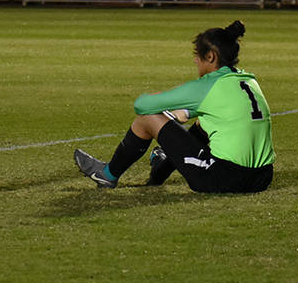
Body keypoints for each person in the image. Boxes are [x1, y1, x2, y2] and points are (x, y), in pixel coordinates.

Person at [73, 20, 274, 193]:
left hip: (225, 179)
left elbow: (142, 105)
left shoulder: (205, 86)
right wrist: (186, 111)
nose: (195, 60)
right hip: (263, 178)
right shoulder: (248, 81)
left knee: (147, 118)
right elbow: (218, 107)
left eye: (198, 55)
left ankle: (107, 174)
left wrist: (166, 103)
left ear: (211, 57)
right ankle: (159, 171)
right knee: (202, 125)